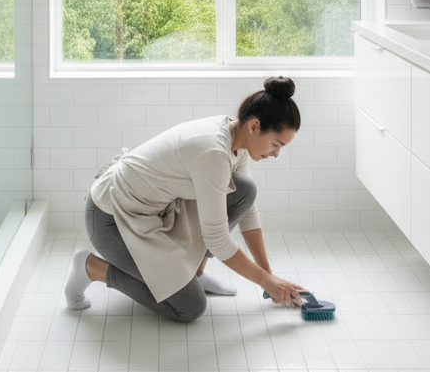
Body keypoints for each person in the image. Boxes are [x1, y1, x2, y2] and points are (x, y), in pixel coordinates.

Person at [64, 76, 309, 322]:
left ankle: (196, 273)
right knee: (188, 307)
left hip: (155, 212)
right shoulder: (213, 152)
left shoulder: (238, 140)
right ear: (254, 127)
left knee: (243, 190)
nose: (276, 154)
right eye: (276, 145)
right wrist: (267, 281)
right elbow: (218, 240)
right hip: (111, 219)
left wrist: (269, 277)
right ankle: (91, 267)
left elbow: (246, 208)